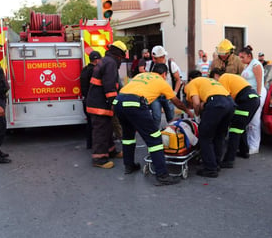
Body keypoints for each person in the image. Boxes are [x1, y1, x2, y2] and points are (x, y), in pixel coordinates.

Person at [114, 63, 193, 185]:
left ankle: (129, 166)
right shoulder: (161, 82)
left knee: (128, 137)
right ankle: (162, 175)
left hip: (119, 102)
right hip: (135, 104)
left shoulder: (141, 75)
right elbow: (176, 101)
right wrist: (188, 111)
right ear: (164, 74)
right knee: (155, 139)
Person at [184, 70, 234, 178]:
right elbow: (204, 103)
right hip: (229, 103)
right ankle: (216, 163)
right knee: (219, 135)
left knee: (205, 136)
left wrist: (197, 117)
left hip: (216, 103)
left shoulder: (190, 85)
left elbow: (196, 103)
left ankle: (210, 168)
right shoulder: (208, 81)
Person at [86, 41, 126, 169]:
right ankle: (99, 158)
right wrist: (114, 103)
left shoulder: (107, 60)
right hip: (99, 105)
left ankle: (110, 151)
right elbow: (109, 86)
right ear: (119, 54)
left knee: (107, 129)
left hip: (98, 103)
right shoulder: (111, 63)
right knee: (101, 132)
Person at [209, 69, 260, 168]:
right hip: (253, 99)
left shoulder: (223, 79)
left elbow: (226, 99)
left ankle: (229, 160)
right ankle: (244, 151)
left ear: (216, 75)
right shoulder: (230, 77)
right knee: (241, 127)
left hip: (245, 100)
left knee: (235, 130)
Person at [239, 45, 266, 156]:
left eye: (242, 57)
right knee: (250, 121)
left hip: (256, 94)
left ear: (249, 56)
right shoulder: (248, 65)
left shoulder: (255, 65)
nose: (241, 59)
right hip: (250, 95)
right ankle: (250, 144)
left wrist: (258, 97)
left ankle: (255, 146)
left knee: (254, 121)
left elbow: (259, 82)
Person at [146, 45, 182, 129]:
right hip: (155, 96)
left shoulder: (171, 65)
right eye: (153, 57)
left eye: (156, 58)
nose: (153, 60)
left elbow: (178, 80)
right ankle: (156, 136)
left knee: (171, 118)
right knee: (156, 117)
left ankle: (172, 134)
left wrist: (174, 93)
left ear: (162, 57)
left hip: (168, 96)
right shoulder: (150, 65)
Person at [80, 51, 102, 149]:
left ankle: (89, 144)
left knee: (89, 123)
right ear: (97, 60)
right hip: (93, 100)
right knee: (96, 125)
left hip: (85, 100)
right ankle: (96, 145)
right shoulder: (95, 70)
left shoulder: (84, 70)